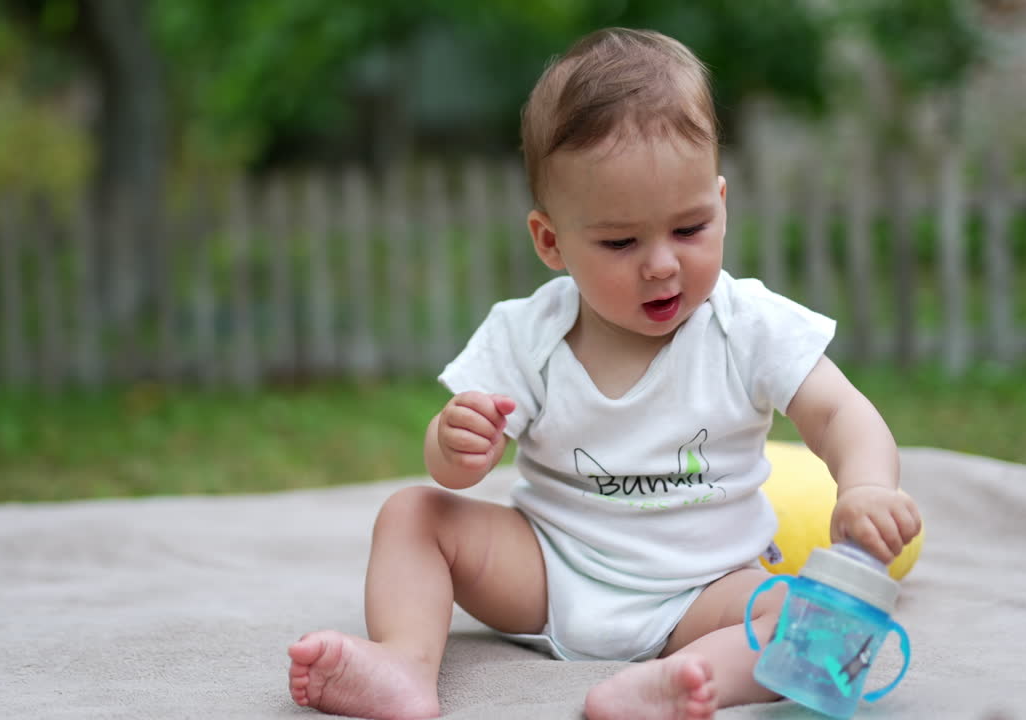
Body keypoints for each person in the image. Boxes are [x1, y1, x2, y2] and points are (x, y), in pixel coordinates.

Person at [287, 27, 922, 720]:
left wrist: (864, 486)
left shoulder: (748, 326)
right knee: (412, 513)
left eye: (690, 229)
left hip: (705, 589)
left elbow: (841, 414)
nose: (660, 264)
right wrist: (456, 443)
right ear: (551, 242)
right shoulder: (526, 334)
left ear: (722, 202)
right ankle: (405, 664)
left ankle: (682, 680)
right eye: (621, 241)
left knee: (811, 620)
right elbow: (452, 472)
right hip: (548, 573)